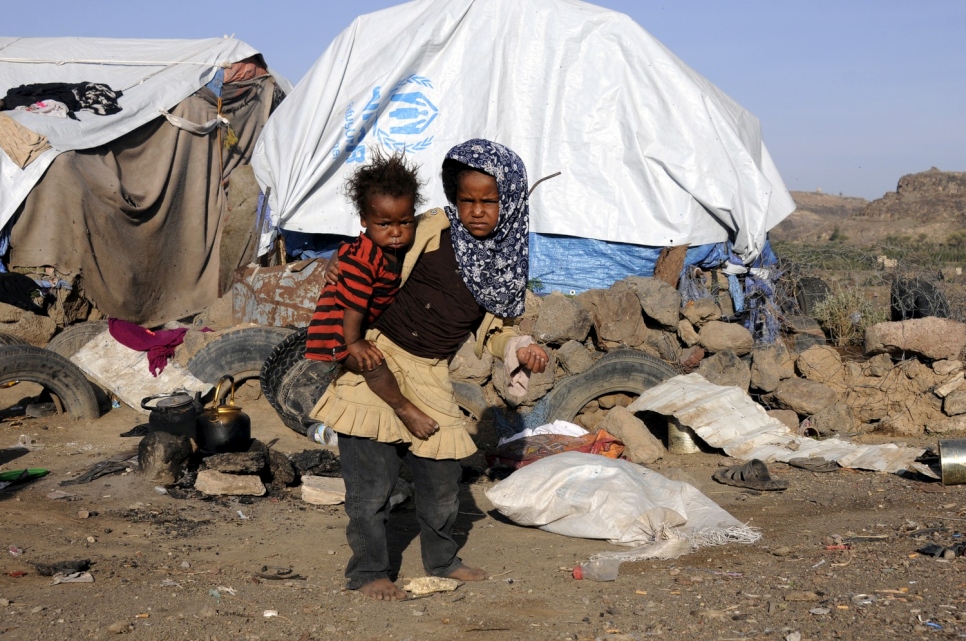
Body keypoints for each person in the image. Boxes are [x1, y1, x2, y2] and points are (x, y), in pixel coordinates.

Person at [312, 139, 549, 601]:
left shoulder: (504, 262)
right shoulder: (430, 229)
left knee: (442, 481)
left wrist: (521, 347)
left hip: (431, 375)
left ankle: (441, 560)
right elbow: (377, 243)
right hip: (378, 360)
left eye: (489, 201)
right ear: (453, 198)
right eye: (467, 200)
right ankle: (369, 572)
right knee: (371, 487)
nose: (476, 211)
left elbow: (494, 329)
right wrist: (337, 263)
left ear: (512, 201)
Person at [304, 150, 436, 432]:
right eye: (385, 224)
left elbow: (345, 247)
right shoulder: (365, 262)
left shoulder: (386, 248)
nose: (397, 233)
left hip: (357, 322)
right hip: (337, 330)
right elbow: (354, 306)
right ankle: (403, 408)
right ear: (364, 220)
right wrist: (354, 343)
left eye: (405, 222)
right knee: (372, 364)